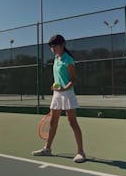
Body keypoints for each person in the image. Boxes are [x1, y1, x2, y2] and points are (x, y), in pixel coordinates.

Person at [32, 34, 86, 163]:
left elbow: (73, 80)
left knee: (72, 122)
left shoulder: (68, 60)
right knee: (52, 122)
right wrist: (56, 86)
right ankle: (47, 149)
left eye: (54, 46)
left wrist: (63, 88)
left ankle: (81, 152)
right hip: (57, 94)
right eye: (51, 46)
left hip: (67, 94)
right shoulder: (56, 59)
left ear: (62, 45)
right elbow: (59, 78)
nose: (52, 48)